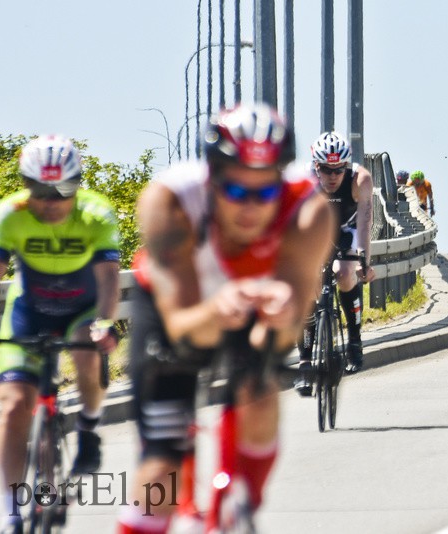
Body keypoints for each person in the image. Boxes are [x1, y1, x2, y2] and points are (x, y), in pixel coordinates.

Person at [116, 103, 335, 533]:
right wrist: (218, 307)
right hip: (175, 309)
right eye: (236, 191)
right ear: (212, 178)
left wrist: (283, 311)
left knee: (260, 392)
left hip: (248, 306)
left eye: (264, 192)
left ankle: (238, 508)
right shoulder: (171, 201)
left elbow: (290, 323)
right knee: (161, 470)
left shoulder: (309, 212)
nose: (250, 208)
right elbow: (181, 324)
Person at [0, 135, 120, 534]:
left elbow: (110, 280)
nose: (52, 201)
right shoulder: (9, 213)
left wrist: (106, 324)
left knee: (85, 352)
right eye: (41, 191)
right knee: (12, 408)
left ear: (77, 185)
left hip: (83, 309)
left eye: (63, 191)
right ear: (27, 186)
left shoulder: (96, 213)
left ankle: (90, 428)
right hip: (30, 311)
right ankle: (12, 512)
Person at [295, 131, 376, 396]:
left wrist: (364, 259)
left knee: (344, 272)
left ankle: (354, 340)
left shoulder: (360, 180)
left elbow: (365, 224)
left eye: (338, 170)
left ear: (347, 167)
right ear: (315, 166)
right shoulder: (302, 180)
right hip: (314, 228)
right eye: (326, 170)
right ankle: (305, 363)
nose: (332, 177)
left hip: (347, 229)